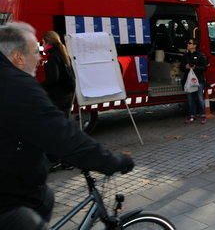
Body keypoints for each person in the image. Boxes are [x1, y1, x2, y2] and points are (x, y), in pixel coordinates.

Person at [0, 22, 134, 230]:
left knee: (46, 197)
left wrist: (50, 155)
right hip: (7, 202)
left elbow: (28, 130)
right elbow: (65, 137)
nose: (39, 58)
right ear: (18, 57)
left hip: (22, 188)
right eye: (35, 52)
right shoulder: (17, 86)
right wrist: (110, 161)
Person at [41, 31, 76, 119]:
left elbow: (53, 78)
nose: (42, 46)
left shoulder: (53, 56)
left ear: (47, 42)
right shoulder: (62, 53)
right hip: (68, 93)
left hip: (59, 95)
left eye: (43, 43)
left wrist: (40, 86)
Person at [181, 38, 208, 124]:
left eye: (190, 43)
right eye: (188, 43)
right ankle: (192, 115)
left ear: (194, 45)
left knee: (200, 98)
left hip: (198, 80)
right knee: (190, 98)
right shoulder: (185, 55)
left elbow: (204, 67)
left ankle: (203, 115)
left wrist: (195, 68)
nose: (188, 44)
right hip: (188, 80)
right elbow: (181, 67)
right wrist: (185, 67)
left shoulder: (200, 55)